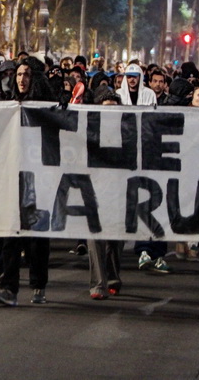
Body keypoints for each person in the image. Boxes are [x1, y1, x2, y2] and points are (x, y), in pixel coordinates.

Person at [0, 57, 52, 306]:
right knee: (10, 236)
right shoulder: (8, 106)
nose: (21, 79)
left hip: (39, 180)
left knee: (37, 238)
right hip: (12, 180)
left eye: (26, 74)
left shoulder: (47, 108)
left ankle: (38, 286)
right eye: (18, 74)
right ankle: (9, 289)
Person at [87, 87, 125, 299]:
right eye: (106, 109)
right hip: (93, 192)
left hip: (119, 193)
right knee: (94, 239)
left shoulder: (127, 133)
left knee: (115, 239)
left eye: (114, 109)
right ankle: (98, 285)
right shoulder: (90, 133)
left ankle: (113, 278)